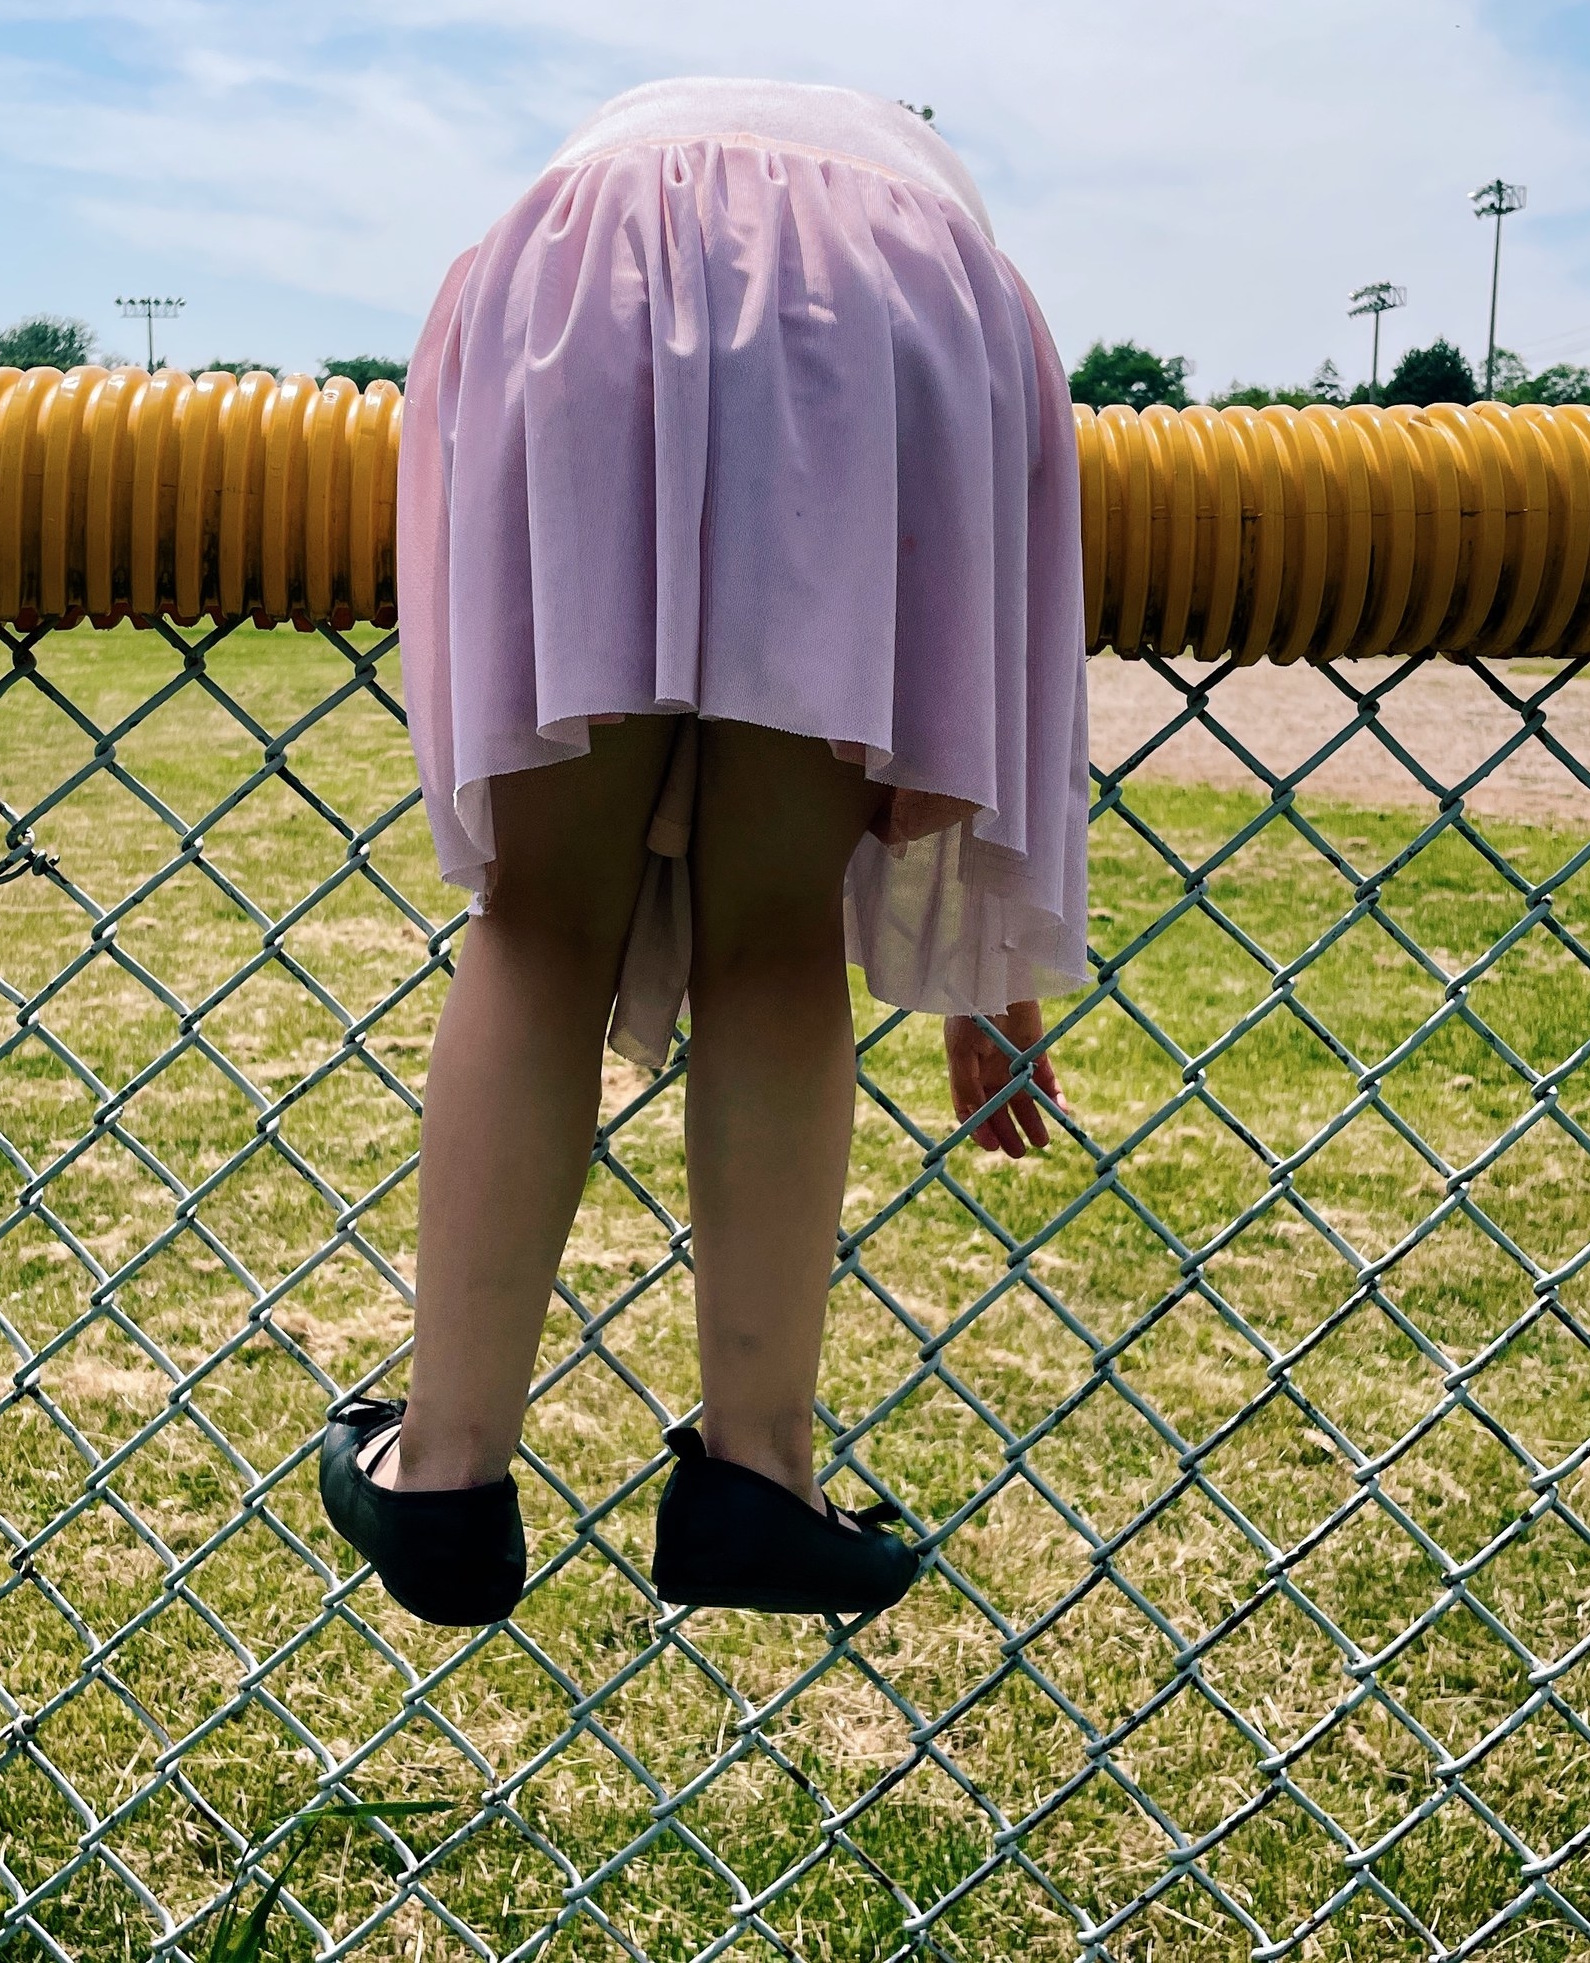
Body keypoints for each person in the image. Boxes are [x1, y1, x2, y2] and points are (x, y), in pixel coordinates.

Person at [319, 78, 1090, 1625]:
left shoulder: (667, 137)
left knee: (545, 913)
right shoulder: (926, 193)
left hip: (589, 260)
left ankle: (448, 1467)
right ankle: (759, 1472)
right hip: (889, 304)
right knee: (773, 918)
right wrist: (989, 981)